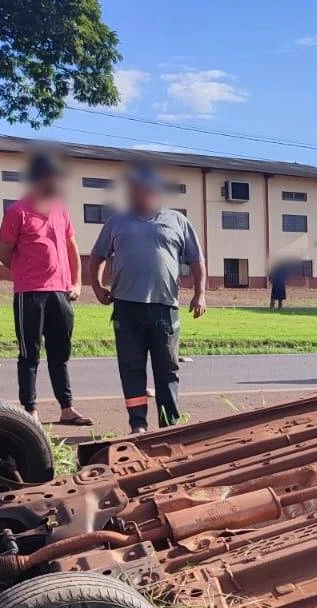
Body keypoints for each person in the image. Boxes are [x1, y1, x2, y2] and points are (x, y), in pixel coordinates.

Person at [86, 162, 207, 434]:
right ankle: (138, 424)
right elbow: (97, 257)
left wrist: (200, 294)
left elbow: (196, 260)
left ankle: (168, 425)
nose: (135, 194)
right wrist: (97, 287)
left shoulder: (177, 221)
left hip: (164, 308)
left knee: (167, 369)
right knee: (131, 368)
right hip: (126, 307)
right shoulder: (117, 222)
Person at [0, 153, 92, 427]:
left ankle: (67, 408)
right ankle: (30, 409)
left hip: (60, 293)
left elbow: (72, 248)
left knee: (60, 353)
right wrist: (27, 273)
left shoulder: (61, 209)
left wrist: (76, 282)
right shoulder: (17, 212)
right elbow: (3, 254)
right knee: (30, 354)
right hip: (30, 293)